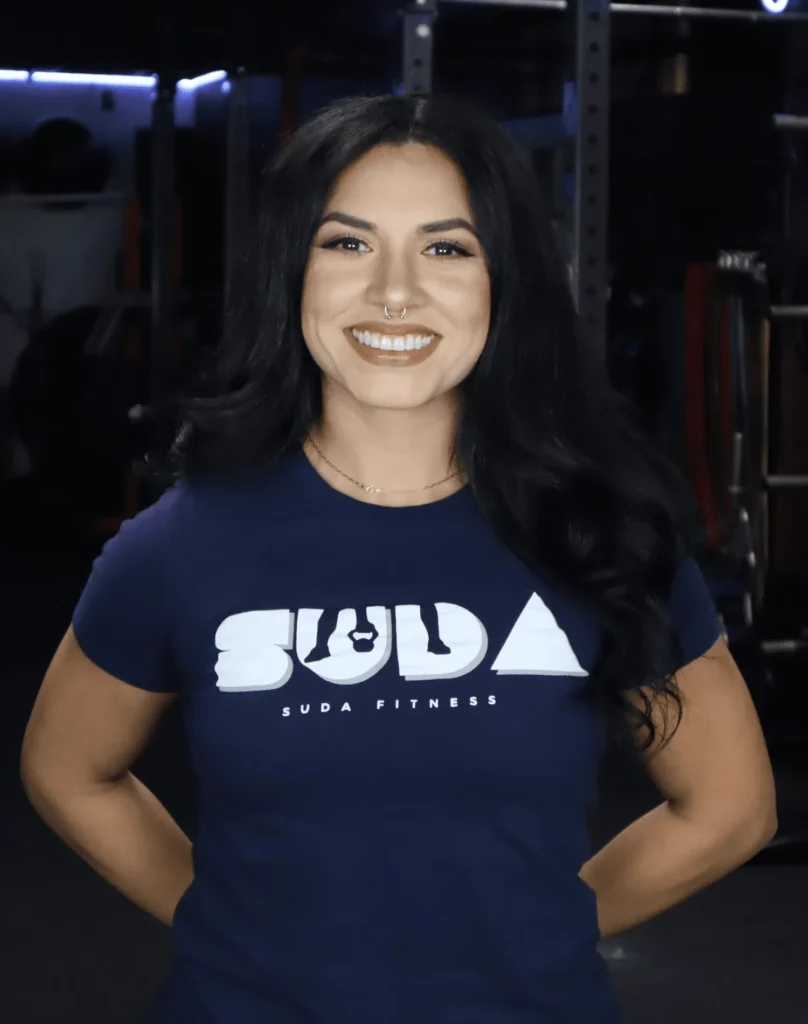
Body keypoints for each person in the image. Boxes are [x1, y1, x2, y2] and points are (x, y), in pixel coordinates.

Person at [20, 93, 777, 1024]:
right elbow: (68, 769)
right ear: (290, 272)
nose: (393, 291)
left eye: (447, 248)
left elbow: (731, 807)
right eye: (346, 243)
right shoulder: (177, 545)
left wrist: (541, 925)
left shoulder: (601, 534)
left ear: (507, 283)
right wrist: (222, 919)